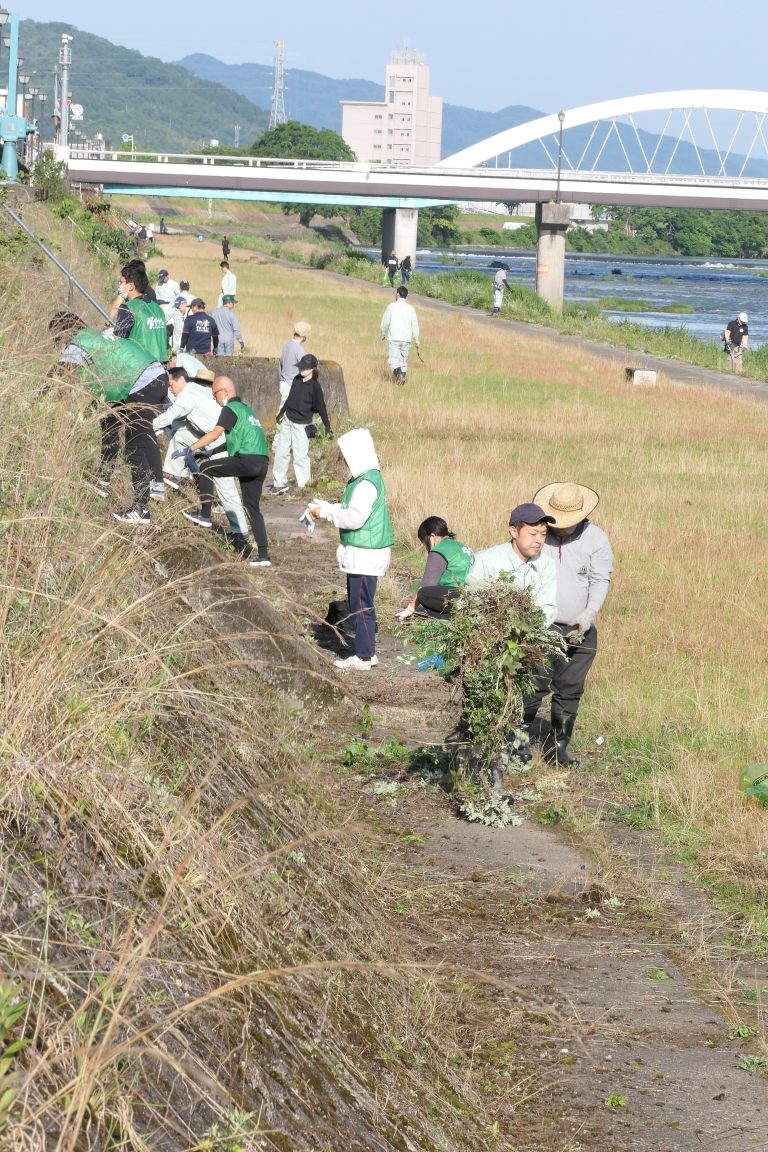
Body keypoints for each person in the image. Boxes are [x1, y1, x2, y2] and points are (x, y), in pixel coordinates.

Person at [521, 482, 613, 766]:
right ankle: (519, 743)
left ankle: (559, 747)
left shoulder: (596, 538)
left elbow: (600, 579)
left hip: (579, 629)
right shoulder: (538, 534)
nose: (560, 528)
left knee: (570, 688)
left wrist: (589, 613)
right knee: (532, 684)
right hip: (539, 627)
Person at [52, 315, 167, 524]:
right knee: (108, 421)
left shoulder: (79, 342)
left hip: (142, 381)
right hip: (151, 374)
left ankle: (141, 510)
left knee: (135, 445)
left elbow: (55, 374)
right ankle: (103, 478)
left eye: (57, 340)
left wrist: (35, 399)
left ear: (63, 333)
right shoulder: (94, 336)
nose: (59, 345)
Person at [309, 428, 393, 671]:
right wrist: (328, 507)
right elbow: (349, 508)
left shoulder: (366, 483)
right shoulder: (366, 478)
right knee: (361, 603)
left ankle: (364, 656)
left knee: (361, 605)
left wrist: (326, 513)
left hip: (365, 553)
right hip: (364, 552)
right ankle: (368, 652)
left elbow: (355, 518)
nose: (346, 460)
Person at [153, 366, 252, 551]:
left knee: (227, 490)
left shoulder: (187, 396)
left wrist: (148, 426)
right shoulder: (195, 391)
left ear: (181, 380)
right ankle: (172, 475)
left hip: (221, 441)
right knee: (181, 433)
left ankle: (241, 535)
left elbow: (170, 416)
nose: (170, 388)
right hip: (210, 436)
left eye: (171, 384)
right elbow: (178, 423)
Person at [183, 375, 272, 567]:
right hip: (262, 462)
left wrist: (192, 448)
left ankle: (205, 515)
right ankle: (264, 555)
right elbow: (234, 442)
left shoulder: (230, 409)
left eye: (215, 394)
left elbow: (215, 433)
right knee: (252, 507)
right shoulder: (248, 411)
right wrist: (210, 451)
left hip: (247, 461)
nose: (215, 398)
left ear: (225, 391)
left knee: (206, 468)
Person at [465, 503, 558, 625]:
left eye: (544, 534)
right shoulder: (486, 561)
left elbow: (548, 606)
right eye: (533, 534)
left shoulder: (547, 565)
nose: (539, 540)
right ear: (514, 532)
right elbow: (470, 601)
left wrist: (529, 630)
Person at [270, 353, 332, 496]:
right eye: (301, 367)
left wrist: (327, 426)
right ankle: (279, 483)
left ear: (312, 369)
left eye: (305, 367)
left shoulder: (315, 386)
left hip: (302, 425)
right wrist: (281, 413)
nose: (302, 370)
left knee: (300, 456)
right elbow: (291, 398)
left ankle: (304, 488)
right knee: (281, 451)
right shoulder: (297, 380)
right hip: (288, 420)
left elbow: (321, 407)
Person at [401, 517, 474, 619]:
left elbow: (427, 585)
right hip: (472, 593)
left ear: (432, 536)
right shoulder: (461, 546)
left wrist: (410, 608)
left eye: (424, 541)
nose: (425, 546)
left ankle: (444, 616)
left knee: (423, 594)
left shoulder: (439, 550)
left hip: (455, 595)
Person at [109, 261, 169, 363]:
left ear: (131, 285)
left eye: (122, 282)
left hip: (140, 366)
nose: (119, 286)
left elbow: (119, 342)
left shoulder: (128, 308)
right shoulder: (158, 309)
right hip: (161, 366)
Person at [380, 286, 420, 386]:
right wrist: (416, 340)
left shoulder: (391, 306)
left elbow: (385, 322)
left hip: (394, 338)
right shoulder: (411, 309)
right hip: (406, 339)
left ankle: (399, 377)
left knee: (393, 360)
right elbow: (415, 325)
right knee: (403, 362)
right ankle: (400, 383)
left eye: (395, 293)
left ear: (398, 294)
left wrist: (382, 333)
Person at [278, 321, 311, 402]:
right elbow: (304, 372)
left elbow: (280, 364)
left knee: (283, 410)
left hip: (283, 383)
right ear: (304, 336)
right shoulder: (299, 349)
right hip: (291, 385)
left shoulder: (286, 345)